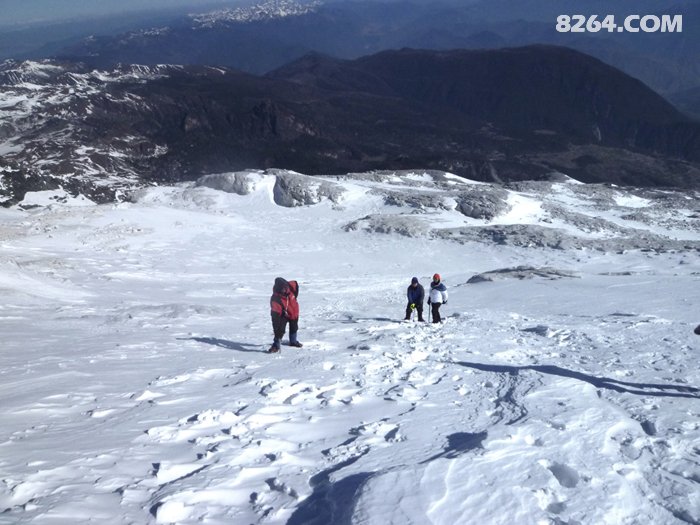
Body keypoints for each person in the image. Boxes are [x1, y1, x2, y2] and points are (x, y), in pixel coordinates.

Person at [268, 277, 303, 353]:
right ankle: (276, 345)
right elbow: (275, 316)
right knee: (280, 331)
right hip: (284, 315)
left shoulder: (291, 288)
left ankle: (293, 342)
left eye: (286, 287)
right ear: (279, 289)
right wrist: (276, 329)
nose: (286, 289)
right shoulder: (276, 299)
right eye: (283, 288)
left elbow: (295, 286)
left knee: (294, 328)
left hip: (294, 313)